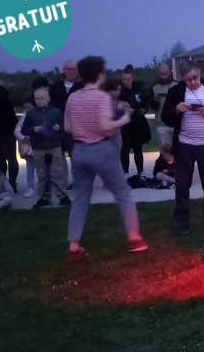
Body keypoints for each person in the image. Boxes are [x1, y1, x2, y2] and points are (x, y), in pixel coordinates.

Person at [64, 56, 147, 261]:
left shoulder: (72, 97)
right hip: (101, 149)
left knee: (80, 199)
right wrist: (124, 120)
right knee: (122, 193)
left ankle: (74, 246)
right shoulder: (101, 98)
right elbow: (103, 126)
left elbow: (67, 127)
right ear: (100, 75)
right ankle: (135, 238)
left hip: (79, 151)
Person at [161, 63, 204, 232]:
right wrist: (177, 110)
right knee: (182, 184)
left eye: (195, 77)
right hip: (184, 144)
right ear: (182, 79)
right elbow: (166, 118)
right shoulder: (176, 92)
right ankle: (181, 221)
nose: (193, 82)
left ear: (200, 74)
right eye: (188, 80)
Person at [21, 88, 70, 209]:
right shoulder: (31, 113)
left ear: (48, 99)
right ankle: (43, 197)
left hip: (54, 145)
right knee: (42, 174)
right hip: (38, 147)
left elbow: (66, 127)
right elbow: (23, 129)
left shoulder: (56, 112)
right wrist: (33, 129)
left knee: (57, 172)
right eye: (37, 99)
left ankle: (62, 196)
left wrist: (59, 128)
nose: (39, 101)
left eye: (42, 98)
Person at [50, 60, 82, 185]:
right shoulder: (56, 86)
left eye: (74, 69)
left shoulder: (82, 86)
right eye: (69, 69)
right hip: (59, 126)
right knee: (59, 154)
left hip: (77, 126)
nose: (72, 71)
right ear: (64, 70)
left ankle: (78, 180)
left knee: (76, 154)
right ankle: (63, 180)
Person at [119, 65, 151, 175]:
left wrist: (143, 110)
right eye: (124, 79)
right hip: (125, 123)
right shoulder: (120, 91)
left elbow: (145, 104)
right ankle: (125, 172)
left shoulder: (139, 89)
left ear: (133, 78)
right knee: (125, 148)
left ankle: (140, 171)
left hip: (138, 122)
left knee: (138, 148)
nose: (125, 81)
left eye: (128, 79)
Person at [150, 63, 179, 148]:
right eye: (161, 74)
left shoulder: (177, 85)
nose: (163, 77)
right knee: (165, 152)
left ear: (169, 73)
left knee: (178, 151)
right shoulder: (154, 87)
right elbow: (151, 107)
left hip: (176, 123)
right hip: (161, 123)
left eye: (165, 74)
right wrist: (155, 101)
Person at [14, 96, 36, 198]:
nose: (27, 110)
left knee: (43, 169)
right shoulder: (23, 118)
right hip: (28, 149)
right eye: (25, 108)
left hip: (38, 147)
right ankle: (30, 187)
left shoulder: (38, 117)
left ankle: (44, 186)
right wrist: (23, 138)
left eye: (29, 108)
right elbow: (17, 131)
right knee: (30, 168)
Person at [104, 79, 130, 153]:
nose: (118, 92)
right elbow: (113, 117)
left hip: (116, 133)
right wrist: (120, 109)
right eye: (115, 90)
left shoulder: (116, 101)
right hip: (108, 134)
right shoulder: (105, 101)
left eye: (119, 90)